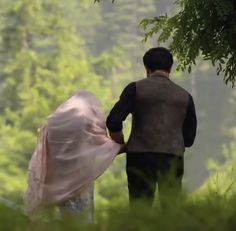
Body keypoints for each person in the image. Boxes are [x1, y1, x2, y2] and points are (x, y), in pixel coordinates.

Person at [106, 47, 197, 207]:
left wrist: (120, 143)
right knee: (171, 211)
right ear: (170, 68)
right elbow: (189, 140)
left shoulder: (135, 89)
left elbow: (113, 121)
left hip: (139, 156)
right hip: (172, 158)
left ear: (147, 69)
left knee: (140, 211)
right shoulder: (185, 97)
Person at [24, 90, 121, 221]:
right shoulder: (86, 124)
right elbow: (103, 145)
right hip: (79, 184)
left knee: (56, 222)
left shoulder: (53, 124)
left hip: (53, 184)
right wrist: (121, 146)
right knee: (79, 221)